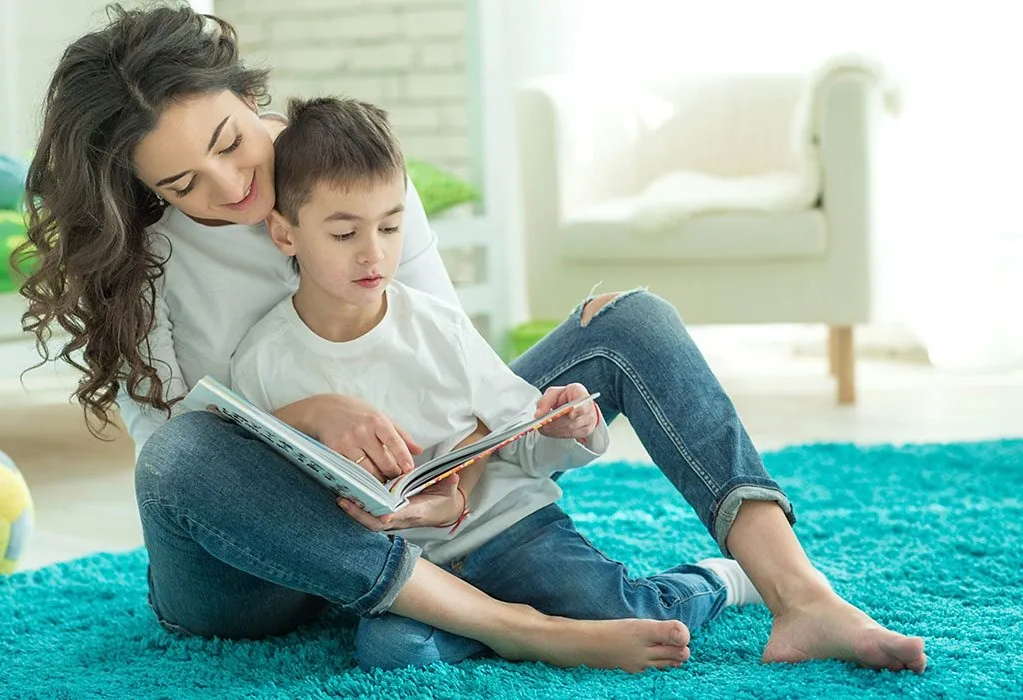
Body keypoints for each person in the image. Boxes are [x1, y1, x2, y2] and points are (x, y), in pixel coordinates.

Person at [14, 2, 926, 674]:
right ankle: (515, 625)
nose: (227, 186)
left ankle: (796, 593)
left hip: (413, 511)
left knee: (631, 322)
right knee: (176, 459)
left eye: (228, 139)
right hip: (252, 577)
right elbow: (191, 473)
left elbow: (443, 354)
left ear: (247, 94)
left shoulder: (352, 169)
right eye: (182, 183)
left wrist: (459, 474)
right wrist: (310, 414)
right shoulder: (146, 260)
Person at [230, 95, 766, 669]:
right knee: (393, 655)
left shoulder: (434, 325)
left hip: (510, 528)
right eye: (344, 234)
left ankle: (710, 581)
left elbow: (523, 438)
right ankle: (522, 627)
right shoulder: (264, 359)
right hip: (414, 572)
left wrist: (568, 424)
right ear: (285, 235)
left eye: (390, 227)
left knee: (635, 616)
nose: (374, 253)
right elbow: (258, 484)